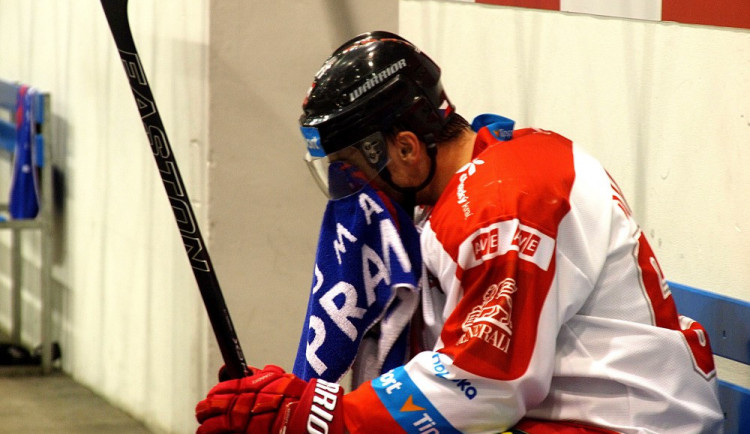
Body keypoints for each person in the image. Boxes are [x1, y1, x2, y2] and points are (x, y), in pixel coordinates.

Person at [195, 31, 724, 433]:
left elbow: (484, 380)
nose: (354, 187)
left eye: (356, 164)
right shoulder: (484, 169)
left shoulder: (506, 203)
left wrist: (322, 415)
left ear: (405, 147)